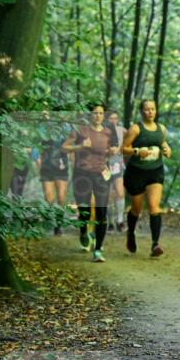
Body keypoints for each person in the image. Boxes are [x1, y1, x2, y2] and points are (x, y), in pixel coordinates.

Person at [62, 103, 119, 262]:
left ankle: (98, 249)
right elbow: (64, 147)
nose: (98, 116)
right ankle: (83, 232)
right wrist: (80, 145)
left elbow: (111, 149)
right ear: (90, 115)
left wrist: (112, 151)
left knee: (102, 212)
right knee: (84, 210)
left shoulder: (108, 131)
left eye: (101, 113)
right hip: (82, 174)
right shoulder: (80, 130)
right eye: (95, 113)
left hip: (101, 175)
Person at [121, 99, 171, 257]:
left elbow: (163, 143)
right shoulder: (135, 129)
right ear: (141, 112)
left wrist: (167, 150)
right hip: (136, 173)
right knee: (137, 209)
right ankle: (131, 233)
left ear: (156, 111)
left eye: (153, 109)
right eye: (147, 109)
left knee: (154, 206)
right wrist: (136, 151)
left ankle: (155, 244)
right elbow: (123, 149)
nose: (150, 112)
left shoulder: (161, 129)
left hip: (155, 171)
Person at [37, 123, 71, 236]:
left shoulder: (66, 126)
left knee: (61, 197)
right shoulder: (42, 126)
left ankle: (59, 224)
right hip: (46, 165)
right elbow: (36, 143)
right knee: (49, 198)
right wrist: (36, 158)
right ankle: (51, 219)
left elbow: (71, 144)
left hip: (61, 165)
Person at [106, 109, 127, 232]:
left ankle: (120, 221)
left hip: (118, 164)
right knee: (109, 195)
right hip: (105, 165)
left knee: (120, 192)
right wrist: (107, 151)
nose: (113, 121)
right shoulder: (102, 131)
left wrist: (121, 148)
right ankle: (110, 223)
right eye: (111, 118)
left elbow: (131, 141)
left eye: (115, 118)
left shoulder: (122, 130)